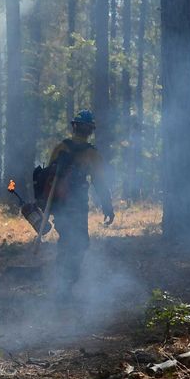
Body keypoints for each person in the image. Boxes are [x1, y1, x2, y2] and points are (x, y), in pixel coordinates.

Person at [44, 110, 114, 288]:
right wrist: (107, 207)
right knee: (79, 243)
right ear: (90, 130)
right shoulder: (92, 154)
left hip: (59, 205)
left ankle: (62, 283)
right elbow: (99, 183)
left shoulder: (60, 148)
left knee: (66, 240)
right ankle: (65, 284)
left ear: (74, 127)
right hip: (77, 206)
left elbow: (47, 177)